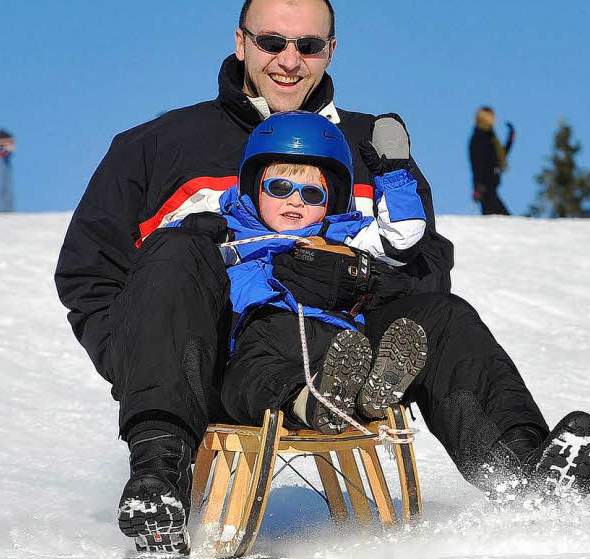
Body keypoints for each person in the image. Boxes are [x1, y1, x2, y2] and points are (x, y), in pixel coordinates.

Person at [55, 0, 590, 556]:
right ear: (240, 42)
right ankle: (158, 481)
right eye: (271, 41)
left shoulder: (373, 147)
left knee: (443, 315)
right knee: (176, 250)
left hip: (354, 363)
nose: (289, 61)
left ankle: (525, 480)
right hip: (220, 365)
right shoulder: (159, 146)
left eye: (308, 46)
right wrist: (146, 363)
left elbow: (425, 267)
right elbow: (90, 276)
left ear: (331, 50)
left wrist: (356, 281)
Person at [180, 111, 430, 436]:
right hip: (258, 335)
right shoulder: (231, 232)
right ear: (255, 187)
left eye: (312, 194)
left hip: (334, 338)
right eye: (280, 187)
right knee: (249, 376)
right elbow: (169, 264)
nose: (295, 201)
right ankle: (310, 402)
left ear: (331, 201)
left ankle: (371, 390)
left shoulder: (342, 235)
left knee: (345, 357)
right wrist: (189, 233)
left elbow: (401, 237)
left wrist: (394, 175)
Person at [468, 107, 514, 215]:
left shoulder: (490, 137)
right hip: (485, 187)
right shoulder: (479, 138)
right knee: (500, 220)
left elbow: (498, 159)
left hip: (491, 186)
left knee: (500, 219)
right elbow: (477, 164)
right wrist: (478, 186)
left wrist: (510, 140)